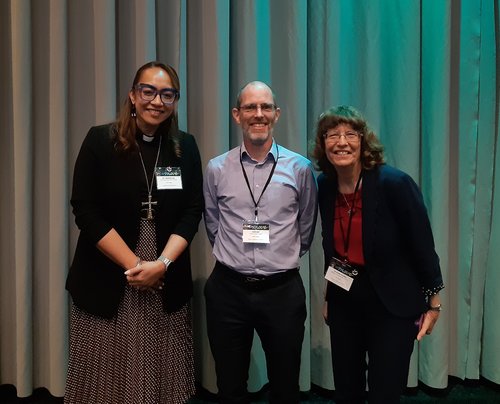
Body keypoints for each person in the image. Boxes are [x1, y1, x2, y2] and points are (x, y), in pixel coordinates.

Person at [64, 61, 203, 404]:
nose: (157, 100)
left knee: (158, 368)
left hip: (164, 269)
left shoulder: (183, 146)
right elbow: (85, 209)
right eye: (149, 91)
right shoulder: (101, 140)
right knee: (105, 375)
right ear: (133, 95)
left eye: (167, 94)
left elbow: (192, 211)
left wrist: (162, 265)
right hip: (109, 270)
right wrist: (136, 267)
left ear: (175, 100)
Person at [312, 105, 444, 404]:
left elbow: (422, 244)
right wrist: (329, 295)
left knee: (385, 392)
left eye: (350, 134)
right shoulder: (325, 186)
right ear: (323, 144)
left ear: (364, 140)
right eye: (332, 135)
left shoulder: (394, 184)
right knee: (347, 391)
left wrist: (434, 304)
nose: (341, 142)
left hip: (392, 304)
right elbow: (330, 244)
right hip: (345, 302)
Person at [203, 81, 318, 403]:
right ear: (237, 115)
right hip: (228, 290)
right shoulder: (216, 169)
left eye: (266, 107)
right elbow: (213, 222)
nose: (259, 114)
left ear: (277, 114)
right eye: (250, 108)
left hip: (282, 292)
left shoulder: (300, 168)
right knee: (230, 384)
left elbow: (305, 227)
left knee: (285, 386)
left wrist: (279, 257)